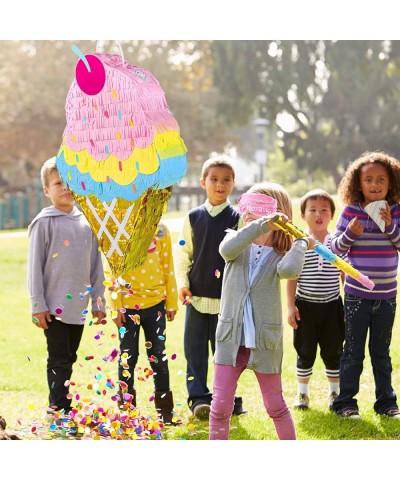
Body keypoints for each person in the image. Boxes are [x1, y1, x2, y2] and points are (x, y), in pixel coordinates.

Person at [209, 182, 315, 440]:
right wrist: (258, 225)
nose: (250, 212)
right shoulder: (233, 240)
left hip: (264, 342)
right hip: (230, 339)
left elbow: (290, 271)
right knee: (220, 407)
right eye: (248, 206)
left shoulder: (281, 254)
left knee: (275, 406)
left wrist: (300, 243)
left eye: (260, 208)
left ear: (280, 214)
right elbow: (226, 251)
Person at [28, 157, 106, 418]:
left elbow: (96, 265)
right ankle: (58, 406)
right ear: (46, 190)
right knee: (59, 357)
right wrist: (38, 305)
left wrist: (98, 301)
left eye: (70, 182)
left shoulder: (87, 223)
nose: (65, 188)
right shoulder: (44, 223)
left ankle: (61, 402)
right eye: (58, 183)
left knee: (70, 356)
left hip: (78, 307)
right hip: (53, 306)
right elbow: (34, 268)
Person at [330, 151, 400, 419]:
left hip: (387, 297)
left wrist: (389, 225)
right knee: (353, 352)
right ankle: (345, 403)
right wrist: (350, 234)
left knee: (381, 353)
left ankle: (386, 403)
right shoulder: (351, 211)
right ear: (357, 184)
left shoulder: (396, 211)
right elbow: (334, 248)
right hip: (357, 296)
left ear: (391, 183)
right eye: (368, 179)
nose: (375, 185)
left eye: (381, 179)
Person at [175, 155, 246, 418]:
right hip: (195, 299)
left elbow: (242, 259)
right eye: (214, 179)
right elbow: (184, 254)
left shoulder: (238, 219)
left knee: (225, 354)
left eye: (226, 180)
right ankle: (198, 399)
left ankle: (226, 397)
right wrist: (183, 284)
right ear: (203, 182)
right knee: (194, 351)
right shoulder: (193, 217)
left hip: (226, 302)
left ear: (233, 184)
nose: (220, 185)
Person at [104, 222, 181, 425]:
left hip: (155, 304)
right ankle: (126, 412)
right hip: (126, 307)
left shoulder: (161, 229)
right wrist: (114, 305)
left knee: (158, 356)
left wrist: (171, 301)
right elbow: (110, 271)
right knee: (128, 357)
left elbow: (168, 266)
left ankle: (165, 410)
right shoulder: (115, 228)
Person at [287, 189, 345, 411]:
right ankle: (302, 395)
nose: (318, 214)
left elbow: (344, 276)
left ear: (332, 214)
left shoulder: (337, 244)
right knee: (305, 350)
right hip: (305, 306)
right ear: (303, 215)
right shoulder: (299, 244)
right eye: (312, 210)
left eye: (324, 210)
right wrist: (291, 306)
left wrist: (347, 307)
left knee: (333, 351)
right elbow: (292, 277)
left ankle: (334, 393)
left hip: (332, 306)